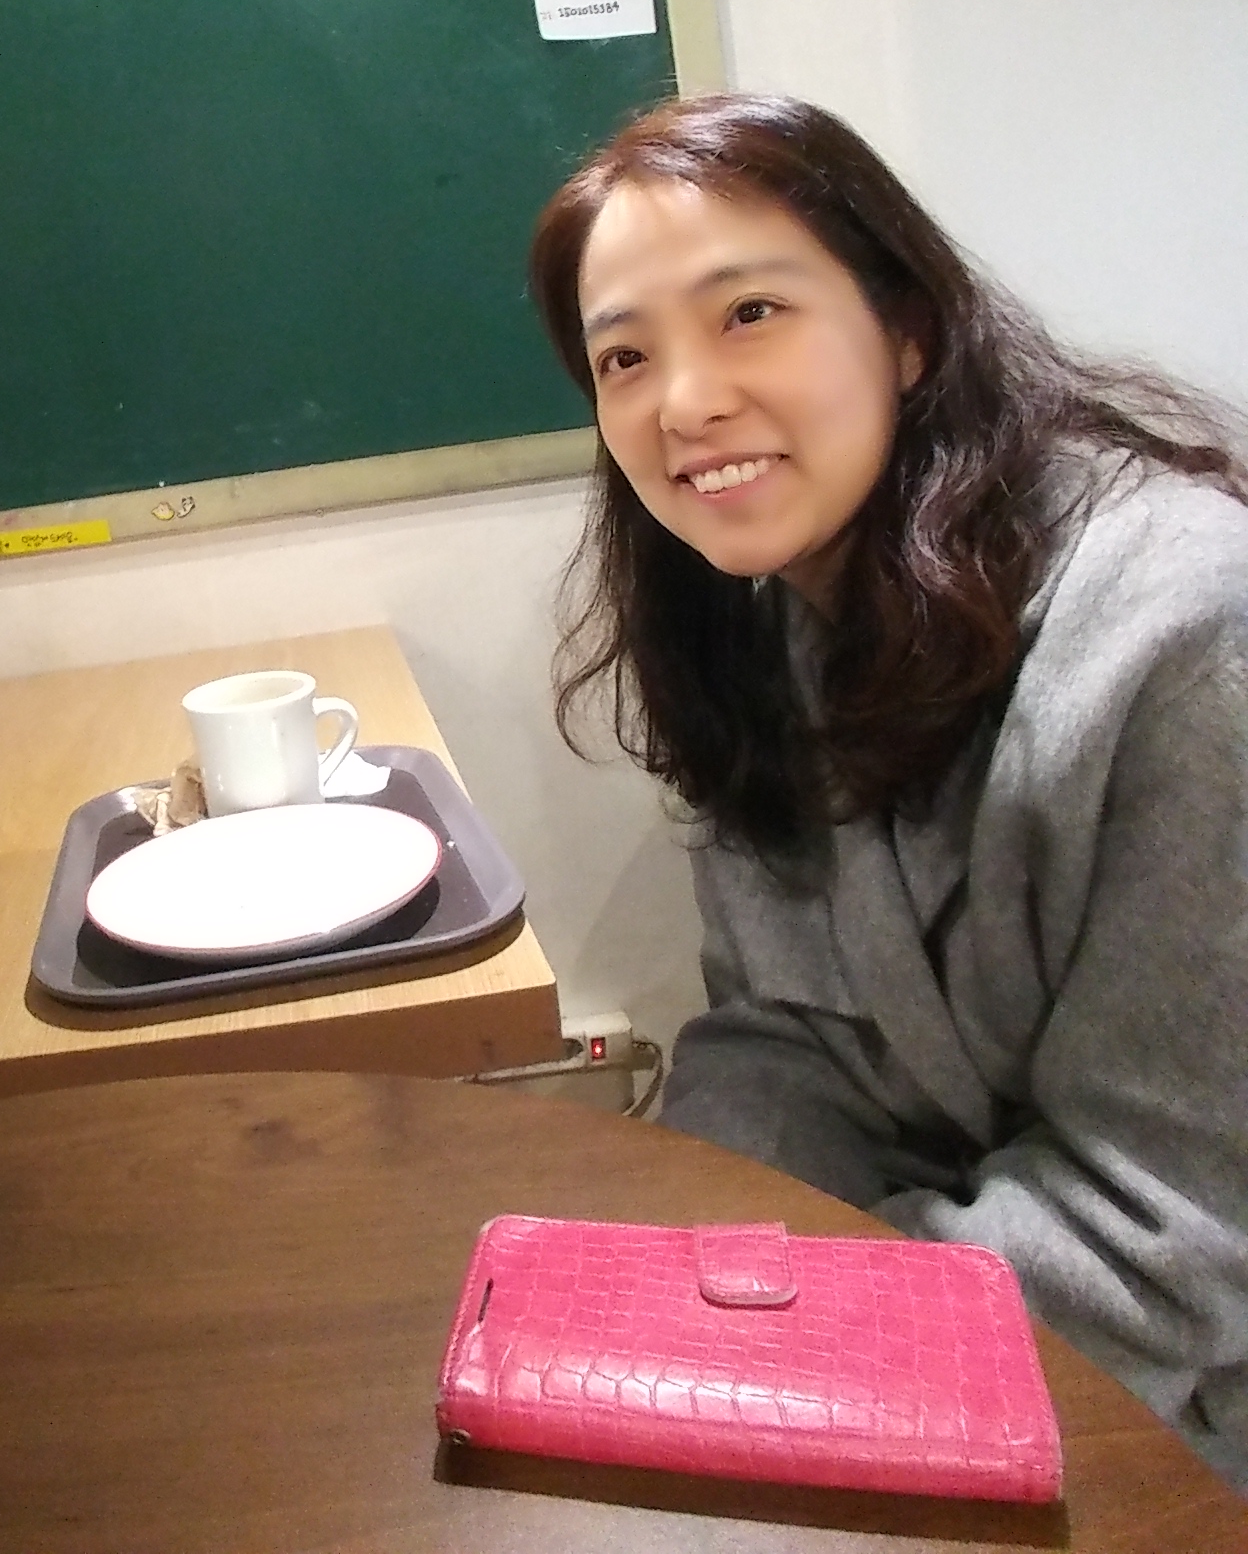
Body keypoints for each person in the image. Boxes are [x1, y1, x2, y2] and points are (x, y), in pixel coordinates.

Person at [528, 92, 1248, 1486]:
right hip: (961, 1326)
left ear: (908, 328)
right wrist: (695, 1274)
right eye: (624, 356)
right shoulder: (764, 613)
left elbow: (1174, 1229)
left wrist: (798, 1345)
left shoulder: (1185, 638)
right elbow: (786, 1037)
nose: (685, 402)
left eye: (749, 313)